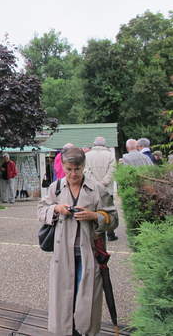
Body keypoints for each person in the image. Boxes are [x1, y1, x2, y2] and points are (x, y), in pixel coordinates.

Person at [38, 148, 117, 336]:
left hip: (89, 252)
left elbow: (113, 219)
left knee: (87, 297)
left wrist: (94, 216)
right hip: (62, 252)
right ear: (63, 167)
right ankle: (67, 331)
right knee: (64, 297)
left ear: (84, 166)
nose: (73, 174)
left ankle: (85, 332)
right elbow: (41, 210)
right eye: (69, 169)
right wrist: (56, 208)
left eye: (78, 169)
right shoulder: (55, 188)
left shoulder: (97, 188)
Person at [84, 137, 119, 241]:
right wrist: (103, 183)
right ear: (104, 144)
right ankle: (110, 234)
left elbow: (85, 171)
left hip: (91, 188)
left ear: (94, 144)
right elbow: (112, 171)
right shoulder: (110, 156)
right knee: (108, 210)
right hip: (107, 188)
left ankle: (94, 232)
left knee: (93, 209)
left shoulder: (87, 155)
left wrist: (96, 183)